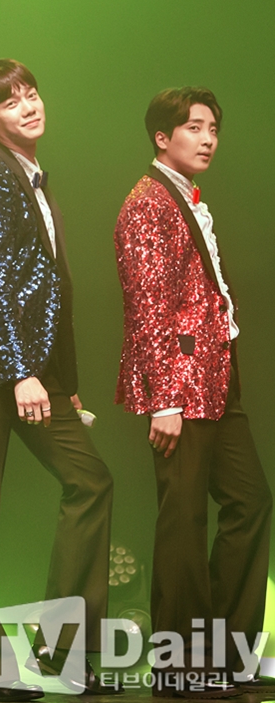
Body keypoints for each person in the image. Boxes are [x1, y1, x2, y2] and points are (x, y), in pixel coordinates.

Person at [0, 59, 117, 701]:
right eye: (12, 102)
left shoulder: (35, 179)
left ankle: (59, 653)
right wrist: (22, 370)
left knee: (91, 481)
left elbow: (52, 288)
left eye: (32, 94)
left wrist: (60, 378)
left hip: (35, 372)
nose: (29, 106)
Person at [114, 87, 272, 697]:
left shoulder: (184, 197)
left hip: (216, 381)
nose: (208, 139)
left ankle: (227, 655)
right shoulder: (147, 202)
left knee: (250, 502)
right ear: (163, 137)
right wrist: (165, 398)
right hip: (180, 387)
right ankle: (181, 667)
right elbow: (147, 306)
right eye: (195, 127)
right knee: (182, 521)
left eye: (213, 129)